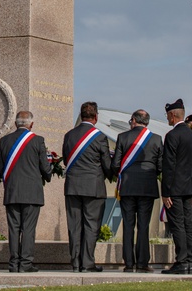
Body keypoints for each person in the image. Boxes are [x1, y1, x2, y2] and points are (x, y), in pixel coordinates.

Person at [0, 110, 52, 274]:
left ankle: (14, 264)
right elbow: (44, 166)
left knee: (14, 228)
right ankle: (26, 263)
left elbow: (0, 167)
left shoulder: (5, 141)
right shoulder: (38, 141)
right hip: (32, 193)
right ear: (31, 124)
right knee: (28, 229)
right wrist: (48, 175)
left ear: (15, 124)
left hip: (12, 191)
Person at [109, 109, 163, 273]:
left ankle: (129, 263)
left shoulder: (123, 137)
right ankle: (142, 262)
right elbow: (160, 166)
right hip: (147, 187)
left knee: (128, 225)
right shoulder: (156, 139)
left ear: (133, 120)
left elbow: (116, 164)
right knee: (144, 226)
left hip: (127, 187)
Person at [62, 101, 113, 274]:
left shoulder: (69, 135)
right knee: (91, 226)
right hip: (94, 187)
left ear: (81, 115)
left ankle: (75, 263)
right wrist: (110, 174)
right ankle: (88, 263)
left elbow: (66, 159)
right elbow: (107, 164)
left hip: (73, 186)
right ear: (96, 117)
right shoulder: (99, 137)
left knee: (74, 226)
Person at [160, 99, 192, 275]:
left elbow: (169, 166)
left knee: (178, 225)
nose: (167, 118)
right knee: (188, 224)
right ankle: (189, 260)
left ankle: (181, 261)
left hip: (174, 188)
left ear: (173, 115)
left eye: (167, 115)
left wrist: (165, 192)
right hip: (188, 188)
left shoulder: (172, 136)